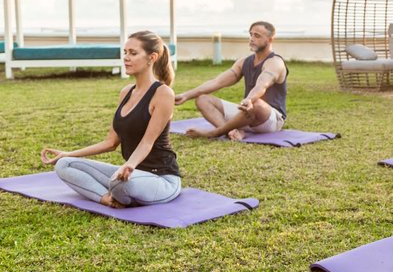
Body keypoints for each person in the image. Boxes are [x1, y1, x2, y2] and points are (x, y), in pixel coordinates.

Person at [41, 31, 181, 208]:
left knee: (119, 182)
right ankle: (106, 198)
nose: (126, 58)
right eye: (125, 52)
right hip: (130, 173)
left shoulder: (163, 93)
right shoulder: (126, 92)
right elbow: (110, 142)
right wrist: (68, 153)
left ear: (152, 57)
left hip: (161, 178)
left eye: (133, 53)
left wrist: (129, 165)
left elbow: (147, 142)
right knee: (64, 165)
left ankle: (117, 191)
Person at [174, 21, 288, 141]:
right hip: (246, 113)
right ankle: (232, 131)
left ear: (270, 39)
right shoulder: (244, 62)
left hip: (269, 119)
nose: (252, 39)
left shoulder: (275, 62)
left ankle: (215, 132)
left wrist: (249, 100)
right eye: (251, 35)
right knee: (203, 99)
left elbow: (262, 84)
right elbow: (217, 82)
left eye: (257, 36)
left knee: (257, 104)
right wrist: (186, 95)